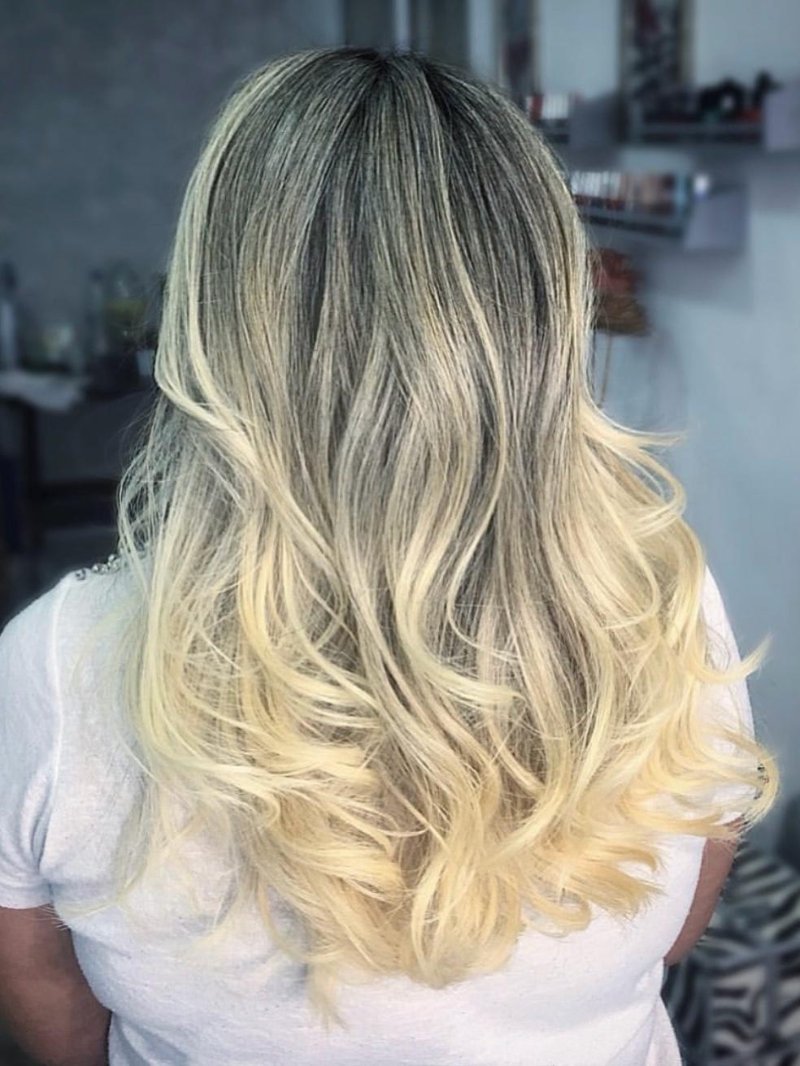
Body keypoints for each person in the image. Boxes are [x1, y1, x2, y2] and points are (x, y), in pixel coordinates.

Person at [0, 47, 778, 1066]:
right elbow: (671, 927)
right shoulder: (661, 596)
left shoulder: (58, 668)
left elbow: (51, 1007)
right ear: (542, 317)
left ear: (217, 317)